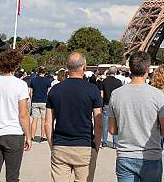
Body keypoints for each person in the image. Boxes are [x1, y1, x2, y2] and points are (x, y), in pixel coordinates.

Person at [108, 51, 164, 182]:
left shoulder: (116, 94)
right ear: (148, 70)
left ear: (130, 68)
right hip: (151, 155)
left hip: (125, 155)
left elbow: (112, 130)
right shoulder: (157, 95)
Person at [45, 52, 103, 182]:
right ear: (84, 67)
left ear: (67, 67)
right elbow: (99, 124)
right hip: (84, 145)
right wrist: (96, 146)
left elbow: (48, 123)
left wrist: (52, 144)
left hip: (61, 145)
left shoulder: (55, 90)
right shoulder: (92, 89)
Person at [0, 50, 32, 182]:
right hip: (14, 133)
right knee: (12, 177)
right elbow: (23, 114)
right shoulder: (20, 84)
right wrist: (28, 136)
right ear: (16, 66)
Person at [99, 66, 122, 149]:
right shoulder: (119, 82)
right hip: (115, 104)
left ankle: (104, 142)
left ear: (108, 71)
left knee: (105, 124)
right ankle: (115, 143)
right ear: (115, 72)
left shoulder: (104, 81)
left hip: (106, 103)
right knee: (115, 123)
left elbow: (101, 95)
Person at [29, 66, 51, 142]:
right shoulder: (48, 81)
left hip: (35, 101)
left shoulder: (33, 80)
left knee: (34, 120)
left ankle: (32, 136)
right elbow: (48, 92)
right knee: (43, 120)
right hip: (44, 101)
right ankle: (42, 136)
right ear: (45, 72)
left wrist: (32, 100)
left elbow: (31, 92)